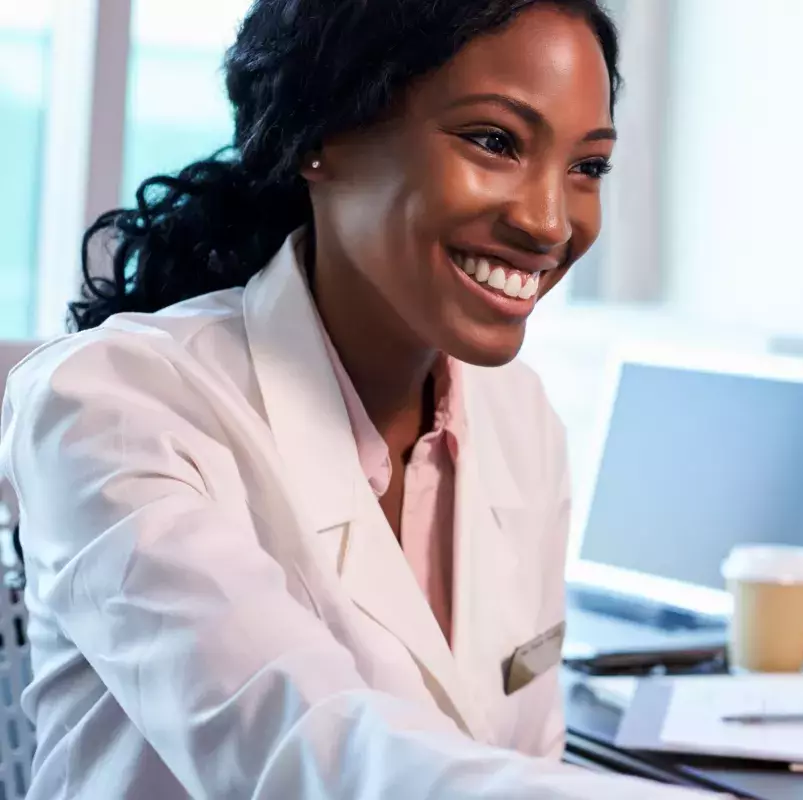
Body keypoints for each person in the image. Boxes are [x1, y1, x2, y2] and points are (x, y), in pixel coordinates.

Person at [0, 1, 710, 797]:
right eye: (494, 142)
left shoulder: (521, 417)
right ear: (320, 138)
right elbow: (302, 749)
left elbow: (525, 761)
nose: (549, 222)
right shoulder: (114, 404)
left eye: (587, 167)